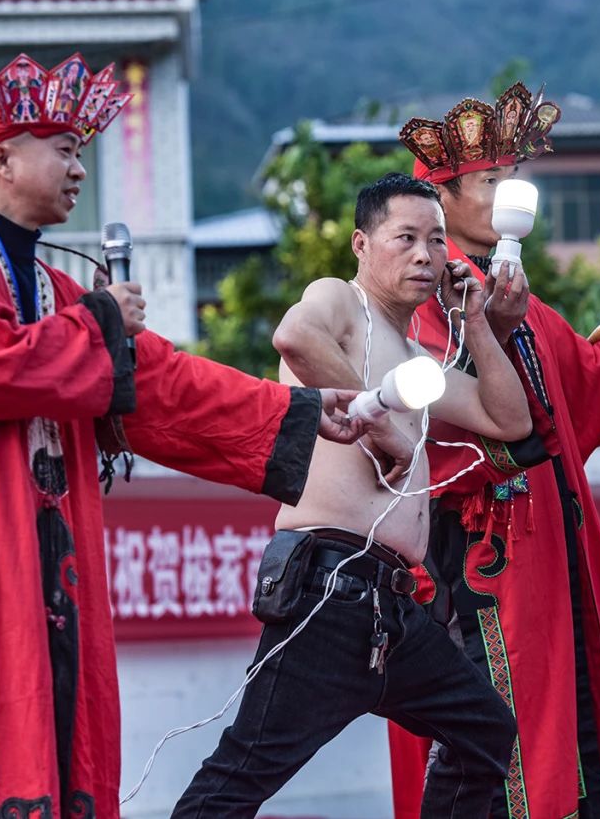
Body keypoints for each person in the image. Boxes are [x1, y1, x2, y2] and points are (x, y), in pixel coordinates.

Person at [0, 52, 364, 818]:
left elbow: (164, 387)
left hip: (35, 563)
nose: (81, 168)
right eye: (65, 149)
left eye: (82, 151)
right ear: (1, 159)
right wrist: (103, 320)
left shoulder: (57, 290)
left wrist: (303, 413)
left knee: (44, 737)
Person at [389, 83, 600, 819]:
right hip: (478, 560)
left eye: (512, 178)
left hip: (552, 548)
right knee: (496, 744)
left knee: (576, 726)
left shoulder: (522, 303)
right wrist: (491, 334)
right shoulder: (420, 300)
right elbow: (432, 430)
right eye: (490, 180)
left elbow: (594, 386)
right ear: (441, 201)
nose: (509, 192)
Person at [172, 173, 532, 818]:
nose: (425, 255)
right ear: (362, 244)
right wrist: (383, 430)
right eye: (405, 238)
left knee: (485, 731)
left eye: (436, 241)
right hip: (329, 589)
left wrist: (477, 321)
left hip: (393, 604)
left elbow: (509, 420)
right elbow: (295, 337)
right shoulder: (340, 301)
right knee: (240, 777)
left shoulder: (418, 358)